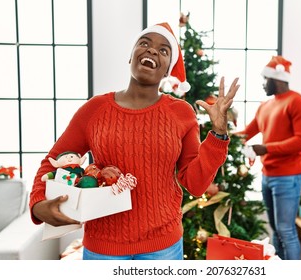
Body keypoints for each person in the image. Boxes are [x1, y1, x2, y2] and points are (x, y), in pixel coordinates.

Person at [29, 22, 239, 260]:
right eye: (144, 43)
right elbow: (53, 161)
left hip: (163, 248)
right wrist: (37, 202)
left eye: (163, 50)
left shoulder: (181, 112)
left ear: (168, 70)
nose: (151, 51)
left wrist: (219, 134)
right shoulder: (94, 109)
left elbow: (195, 183)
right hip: (103, 249)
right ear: (131, 56)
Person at [234, 55, 301, 260]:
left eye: (264, 80)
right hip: (267, 176)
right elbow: (246, 133)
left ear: (276, 79)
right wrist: (215, 132)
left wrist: (265, 148)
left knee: (286, 231)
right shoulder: (265, 106)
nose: (262, 85)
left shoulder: (297, 102)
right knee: (276, 231)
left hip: (288, 177)